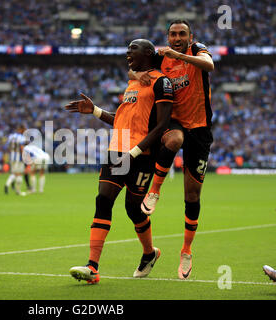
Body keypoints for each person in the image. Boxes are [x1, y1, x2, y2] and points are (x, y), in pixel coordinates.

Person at [65, 39, 173, 284]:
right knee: (103, 199)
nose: (127, 53)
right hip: (117, 151)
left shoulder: (161, 82)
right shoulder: (133, 82)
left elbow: (162, 125)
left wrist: (134, 152)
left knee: (133, 209)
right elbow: (122, 121)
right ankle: (92, 267)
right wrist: (95, 111)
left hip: (142, 156)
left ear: (147, 53)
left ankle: (149, 253)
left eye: (132, 49)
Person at [130, 19, 214, 280]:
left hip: (199, 128)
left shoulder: (197, 49)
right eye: (173, 34)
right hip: (175, 122)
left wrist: (179, 55)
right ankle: (155, 190)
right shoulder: (159, 57)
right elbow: (133, 69)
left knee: (192, 196)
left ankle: (186, 250)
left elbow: (210, 65)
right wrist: (136, 75)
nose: (177, 38)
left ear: (191, 36)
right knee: (173, 140)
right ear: (167, 36)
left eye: (182, 34)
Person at [4, 125, 28, 196]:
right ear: (21, 130)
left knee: (14, 173)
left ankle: (7, 185)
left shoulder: (11, 136)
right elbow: (21, 147)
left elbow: (8, 146)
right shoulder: (22, 138)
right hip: (18, 157)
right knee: (19, 173)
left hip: (12, 157)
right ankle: (18, 191)